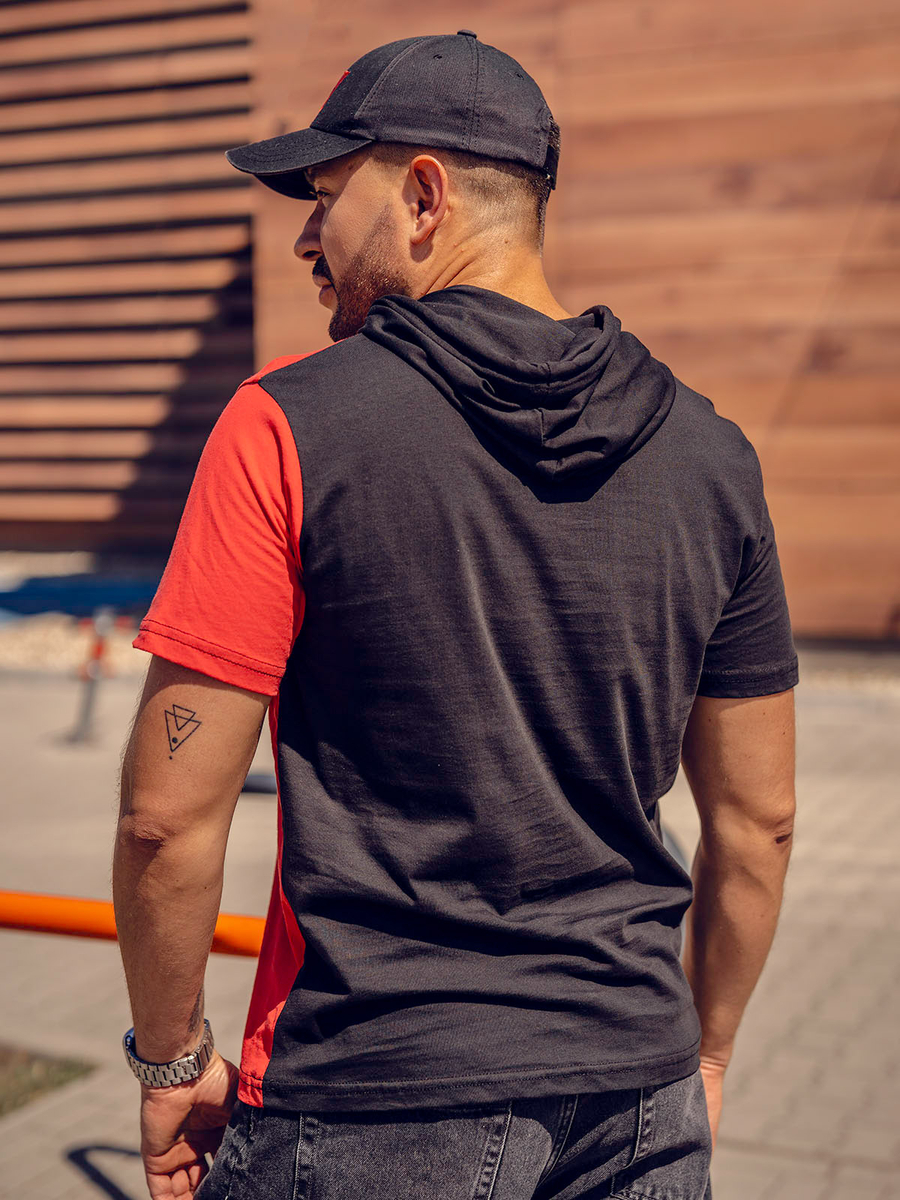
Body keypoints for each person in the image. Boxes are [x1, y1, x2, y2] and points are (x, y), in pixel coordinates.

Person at [113, 30, 798, 1200]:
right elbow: (759, 825)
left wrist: (173, 1060)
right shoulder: (713, 457)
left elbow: (163, 825)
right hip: (640, 1094)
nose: (305, 237)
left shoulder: (285, 426)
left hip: (373, 1093)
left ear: (424, 196)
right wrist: (710, 1053)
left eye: (327, 195)